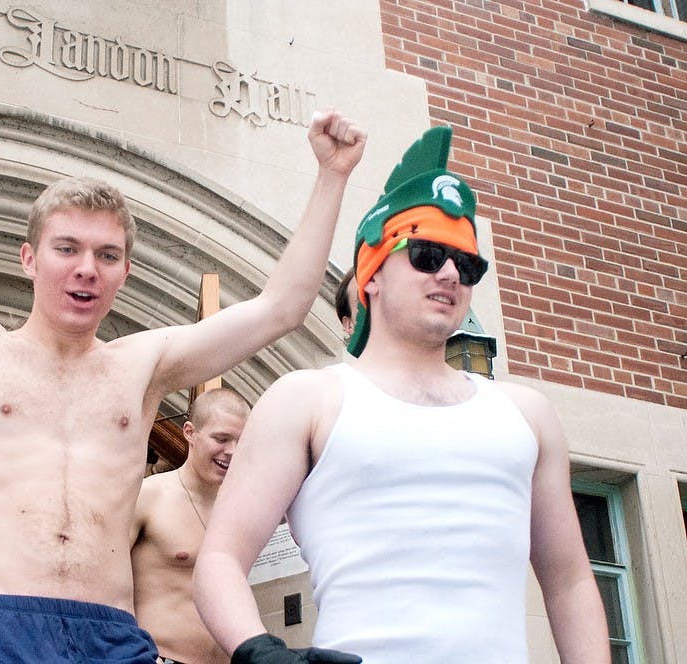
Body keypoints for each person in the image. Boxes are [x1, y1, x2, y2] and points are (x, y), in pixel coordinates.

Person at [0, 15, 366, 662]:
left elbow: (281, 308)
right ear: (29, 258)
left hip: (110, 632)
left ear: (126, 272)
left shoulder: (144, 365)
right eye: (68, 249)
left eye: (107, 255)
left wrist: (332, 177)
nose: (86, 268)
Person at [193, 126, 610, 663]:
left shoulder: (526, 413)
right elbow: (220, 559)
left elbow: (571, 581)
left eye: (468, 262)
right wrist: (261, 652)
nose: (451, 273)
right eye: (427, 252)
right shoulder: (309, 400)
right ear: (372, 275)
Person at [130, 388, 250, 664]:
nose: (231, 451)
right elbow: (107, 584)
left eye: (241, 442)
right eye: (221, 438)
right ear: (189, 432)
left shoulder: (243, 509)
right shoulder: (150, 496)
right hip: (160, 657)